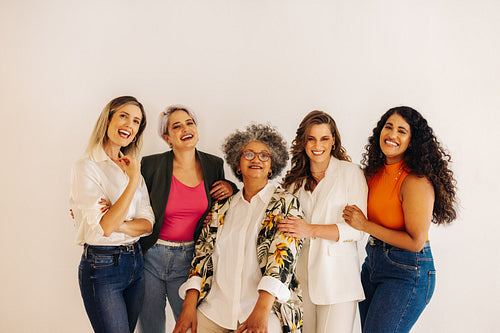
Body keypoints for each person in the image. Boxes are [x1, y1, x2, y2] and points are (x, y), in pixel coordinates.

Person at [173, 124, 304, 333]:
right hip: (216, 308)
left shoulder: (286, 203)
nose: (256, 159)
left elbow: (282, 261)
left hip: (267, 308)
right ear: (238, 164)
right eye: (249, 154)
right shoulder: (221, 208)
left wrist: (260, 312)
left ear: (272, 166)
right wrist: (188, 307)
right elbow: (202, 256)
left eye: (264, 156)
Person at [342, 106, 457, 332]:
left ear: (412, 141)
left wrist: (365, 225)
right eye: (388, 127)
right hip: (372, 263)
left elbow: (415, 242)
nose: (392, 135)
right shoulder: (372, 173)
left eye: (402, 131)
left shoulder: (415, 181)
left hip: (407, 270)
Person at [138, 105, 237, 333]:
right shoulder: (151, 165)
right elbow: (134, 201)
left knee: (192, 326)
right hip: (151, 257)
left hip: (190, 260)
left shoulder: (214, 164)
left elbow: (225, 208)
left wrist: (231, 187)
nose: (185, 129)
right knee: (150, 327)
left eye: (189, 123)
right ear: (167, 137)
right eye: (177, 126)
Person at [70, 96, 155, 333]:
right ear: (108, 119)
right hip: (103, 266)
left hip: (136, 262)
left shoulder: (131, 165)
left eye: (136, 121)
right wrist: (133, 182)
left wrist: (120, 223)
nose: (130, 125)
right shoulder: (87, 166)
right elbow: (106, 227)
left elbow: (148, 223)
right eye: (124, 116)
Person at [279, 111, 367, 333]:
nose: (317, 145)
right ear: (303, 142)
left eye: (324, 138)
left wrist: (309, 230)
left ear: (333, 140)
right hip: (301, 281)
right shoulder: (293, 183)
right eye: (311, 138)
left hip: (338, 281)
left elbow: (357, 230)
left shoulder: (351, 173)